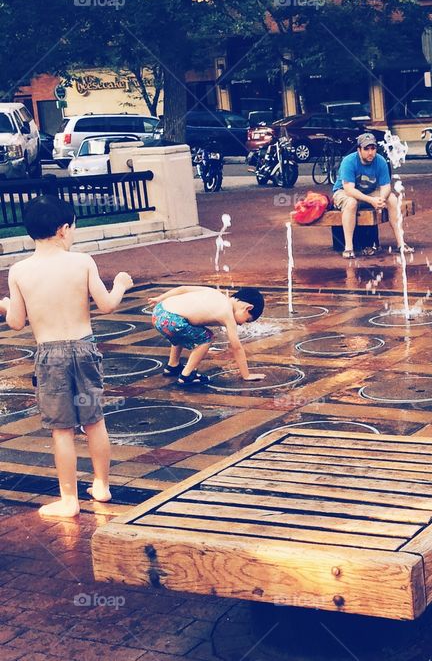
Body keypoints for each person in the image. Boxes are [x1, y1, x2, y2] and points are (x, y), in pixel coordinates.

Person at [0, 195, 133, 517]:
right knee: (94, 421)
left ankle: (69, 500)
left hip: (50, 356)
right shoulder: (82, 262)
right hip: (84, 349)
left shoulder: (19, 271)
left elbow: (16, 322)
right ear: (62, 229)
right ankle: (101, 486)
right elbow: (106, 305)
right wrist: (121, 284)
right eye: (72, 227)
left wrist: (6, 304)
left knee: (61, 429)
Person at [149, 286, 266, 386]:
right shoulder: (227, 314)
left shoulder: (215, 293)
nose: (241, 324)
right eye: (247, 320)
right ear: (248, 308)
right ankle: (186, 376)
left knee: (183, 330)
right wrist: (246, 375)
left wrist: (159, 298)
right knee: (206, 337)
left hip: (159, 311)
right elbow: (236, 347)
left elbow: (183, 289)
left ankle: (172, 366)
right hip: (171, 321)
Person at [332, 132, 411, 260]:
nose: (370, 152)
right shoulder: (349, 161)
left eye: (373, 148)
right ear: (359, 150)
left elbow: (386, 187)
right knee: (352, 203)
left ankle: (401, 243)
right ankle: (349, 247)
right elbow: (349, 189)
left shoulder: (380, 161)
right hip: (344, 192)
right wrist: (371, 200)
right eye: (366, 149)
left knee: (392, 198)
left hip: (369, 192)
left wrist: (381, 199)